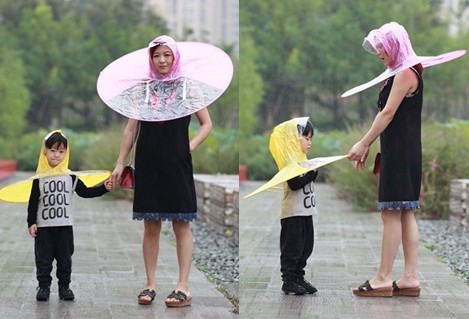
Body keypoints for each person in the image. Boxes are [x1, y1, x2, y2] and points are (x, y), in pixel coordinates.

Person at [111, 35, 212, 307]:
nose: (162, 60)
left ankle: (183, 287)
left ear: (175, 56)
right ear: (151, 59)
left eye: (167, 54)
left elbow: (206, 124)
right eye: (156, 55)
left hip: (177, 164)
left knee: (181, 223)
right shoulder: (144, 89)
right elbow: (131, 129)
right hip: (148, 163)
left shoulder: (187, 88)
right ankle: (150, 284)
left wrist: (188, 146)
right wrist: (120, 162)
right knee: (151, 225)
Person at [346, 22, 423, 297]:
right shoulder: (401, 73)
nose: (379, 51)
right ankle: (410, 277)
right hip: (404, 151)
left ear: (395, 45)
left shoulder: (405, 74)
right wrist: (369, 145)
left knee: (390, 212)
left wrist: (363, 142)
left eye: (382, 46)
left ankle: (383, 277)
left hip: (401, 155)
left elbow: (387, 114)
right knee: (403, 213)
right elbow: (388, 118)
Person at [27, 131, 113, 301]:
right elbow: (32, 203)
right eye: (52, 150)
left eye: (61, 151)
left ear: (66, 153)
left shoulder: (70, 176)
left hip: (64, 226)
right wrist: (31, 223)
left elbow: (85, 192)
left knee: (64, 259)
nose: (56, 155)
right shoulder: (39, 179)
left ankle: (64, 287)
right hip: (43, 227)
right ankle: (43, 287)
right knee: (43, 260)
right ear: (45, 151)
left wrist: (104, 188)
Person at [269, 117, 318, 295]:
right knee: (293, 247)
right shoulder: (290, 162)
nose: (309, 142)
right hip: (292, 213)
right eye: (306, 138)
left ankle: (299, 276)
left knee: (306, 246)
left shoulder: (303, 159)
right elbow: (294, 184)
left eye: (311, 138)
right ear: (294, 139)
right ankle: (288, 280)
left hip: (306, 211)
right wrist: (312, 174)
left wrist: (313, 171)